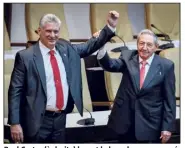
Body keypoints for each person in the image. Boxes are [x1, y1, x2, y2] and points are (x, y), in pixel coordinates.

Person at [8, 11, 119, 143]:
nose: (53, 35)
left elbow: (89, 46)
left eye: (56, 31)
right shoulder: (25, 56)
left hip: (60, 119)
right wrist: (14, 123)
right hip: (36, 120)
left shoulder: (66, 49)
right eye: (48, 31)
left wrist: (109, 27)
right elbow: (15, 91)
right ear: (39, 31)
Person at [97, 29, 176, 143]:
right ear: (137, 44)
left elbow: (169, 100)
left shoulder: (166, 66)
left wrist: (167, 127)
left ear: (156, 47)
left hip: (150, 124)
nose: (144, 47)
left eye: (149, 44)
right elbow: (110, 65)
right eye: (141, 43)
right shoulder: (127, 57)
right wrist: (101, 45)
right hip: (125, 122)